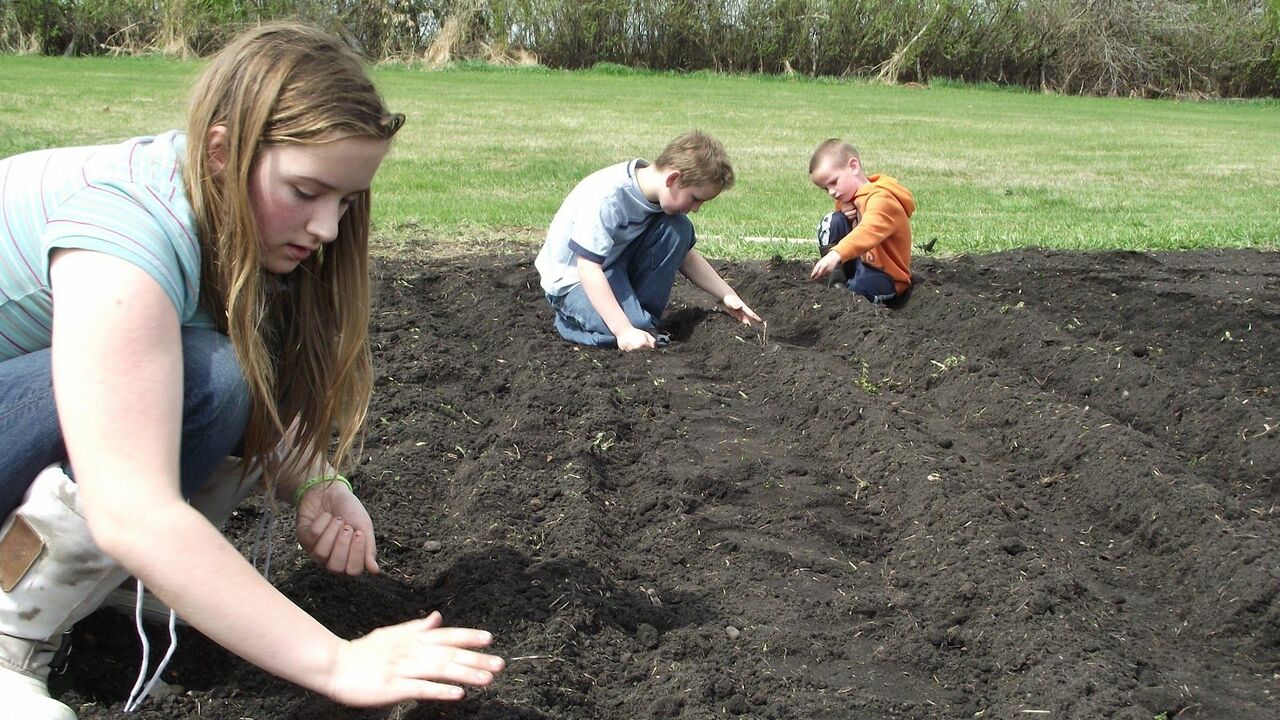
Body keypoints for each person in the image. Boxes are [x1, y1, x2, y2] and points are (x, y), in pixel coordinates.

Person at [0, 22, 504, 719]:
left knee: (224, 376)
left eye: (347, 201)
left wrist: (314, 481)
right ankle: (7, 636)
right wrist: (337, 661)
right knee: (205, 378)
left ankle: (96, 602)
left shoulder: (226, 215)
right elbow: (130, 506)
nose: (328, 228)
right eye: (306, 191)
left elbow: (251, 392)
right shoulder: (123, 231)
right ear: (221, 151)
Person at [535, 131, 763, 350]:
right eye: (695, 199)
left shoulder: (657, 197)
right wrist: (623, 330)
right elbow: (587, 268)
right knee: (627, 330)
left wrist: (728, 295)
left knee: (679, 229)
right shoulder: (609, 196)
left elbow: (687, 257)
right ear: (673, 178)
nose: (696, 209)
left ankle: (641, 322)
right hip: (572, 281)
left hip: (614, 268)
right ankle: (570, 323)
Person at [807, 138, 916, 304]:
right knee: (832, 221)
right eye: (825, 189)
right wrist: (843, 211)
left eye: (834, 182)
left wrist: (836, 253)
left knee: (857, 292)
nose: (832, 192)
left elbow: (868, 229)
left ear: (853, 166)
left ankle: (848, 293)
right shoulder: (852, 199)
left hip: (886, 277)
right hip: (861, 263)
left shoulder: (882, 199)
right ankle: (837, 280)